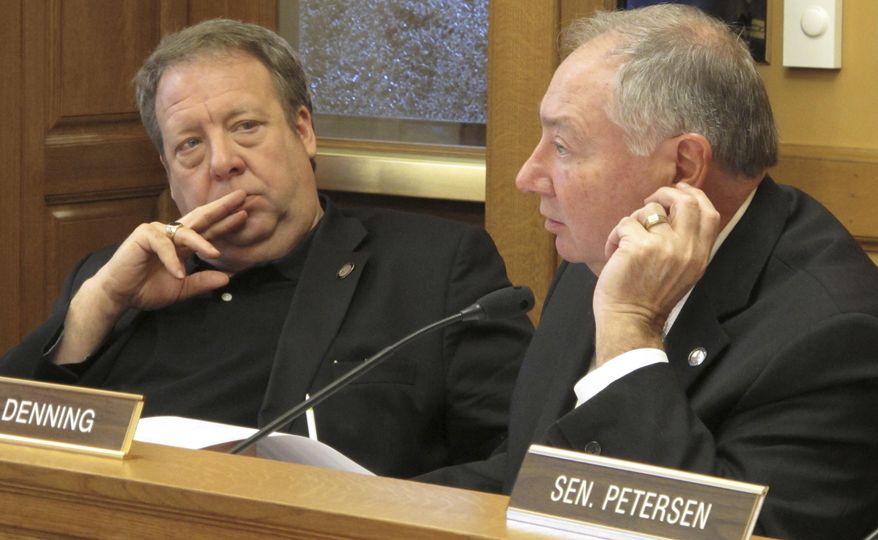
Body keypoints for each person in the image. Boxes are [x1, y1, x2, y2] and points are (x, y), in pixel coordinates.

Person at [0, 19, 533, 479]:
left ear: (303, 131)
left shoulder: (434, 268)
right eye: (190, 144)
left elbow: (523, 462)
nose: (222, 162)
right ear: (168, 173)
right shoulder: (112, 284)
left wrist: (376, 511)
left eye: (245, 127)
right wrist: (91, 314)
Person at [422, 5, 878, 539]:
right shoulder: (603, 255)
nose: (528, 175)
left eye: (563, 146)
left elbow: (714, 532)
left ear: (683, 168)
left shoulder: (835, 335)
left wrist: (630, 330)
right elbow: (536, 475)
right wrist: (369, 501)